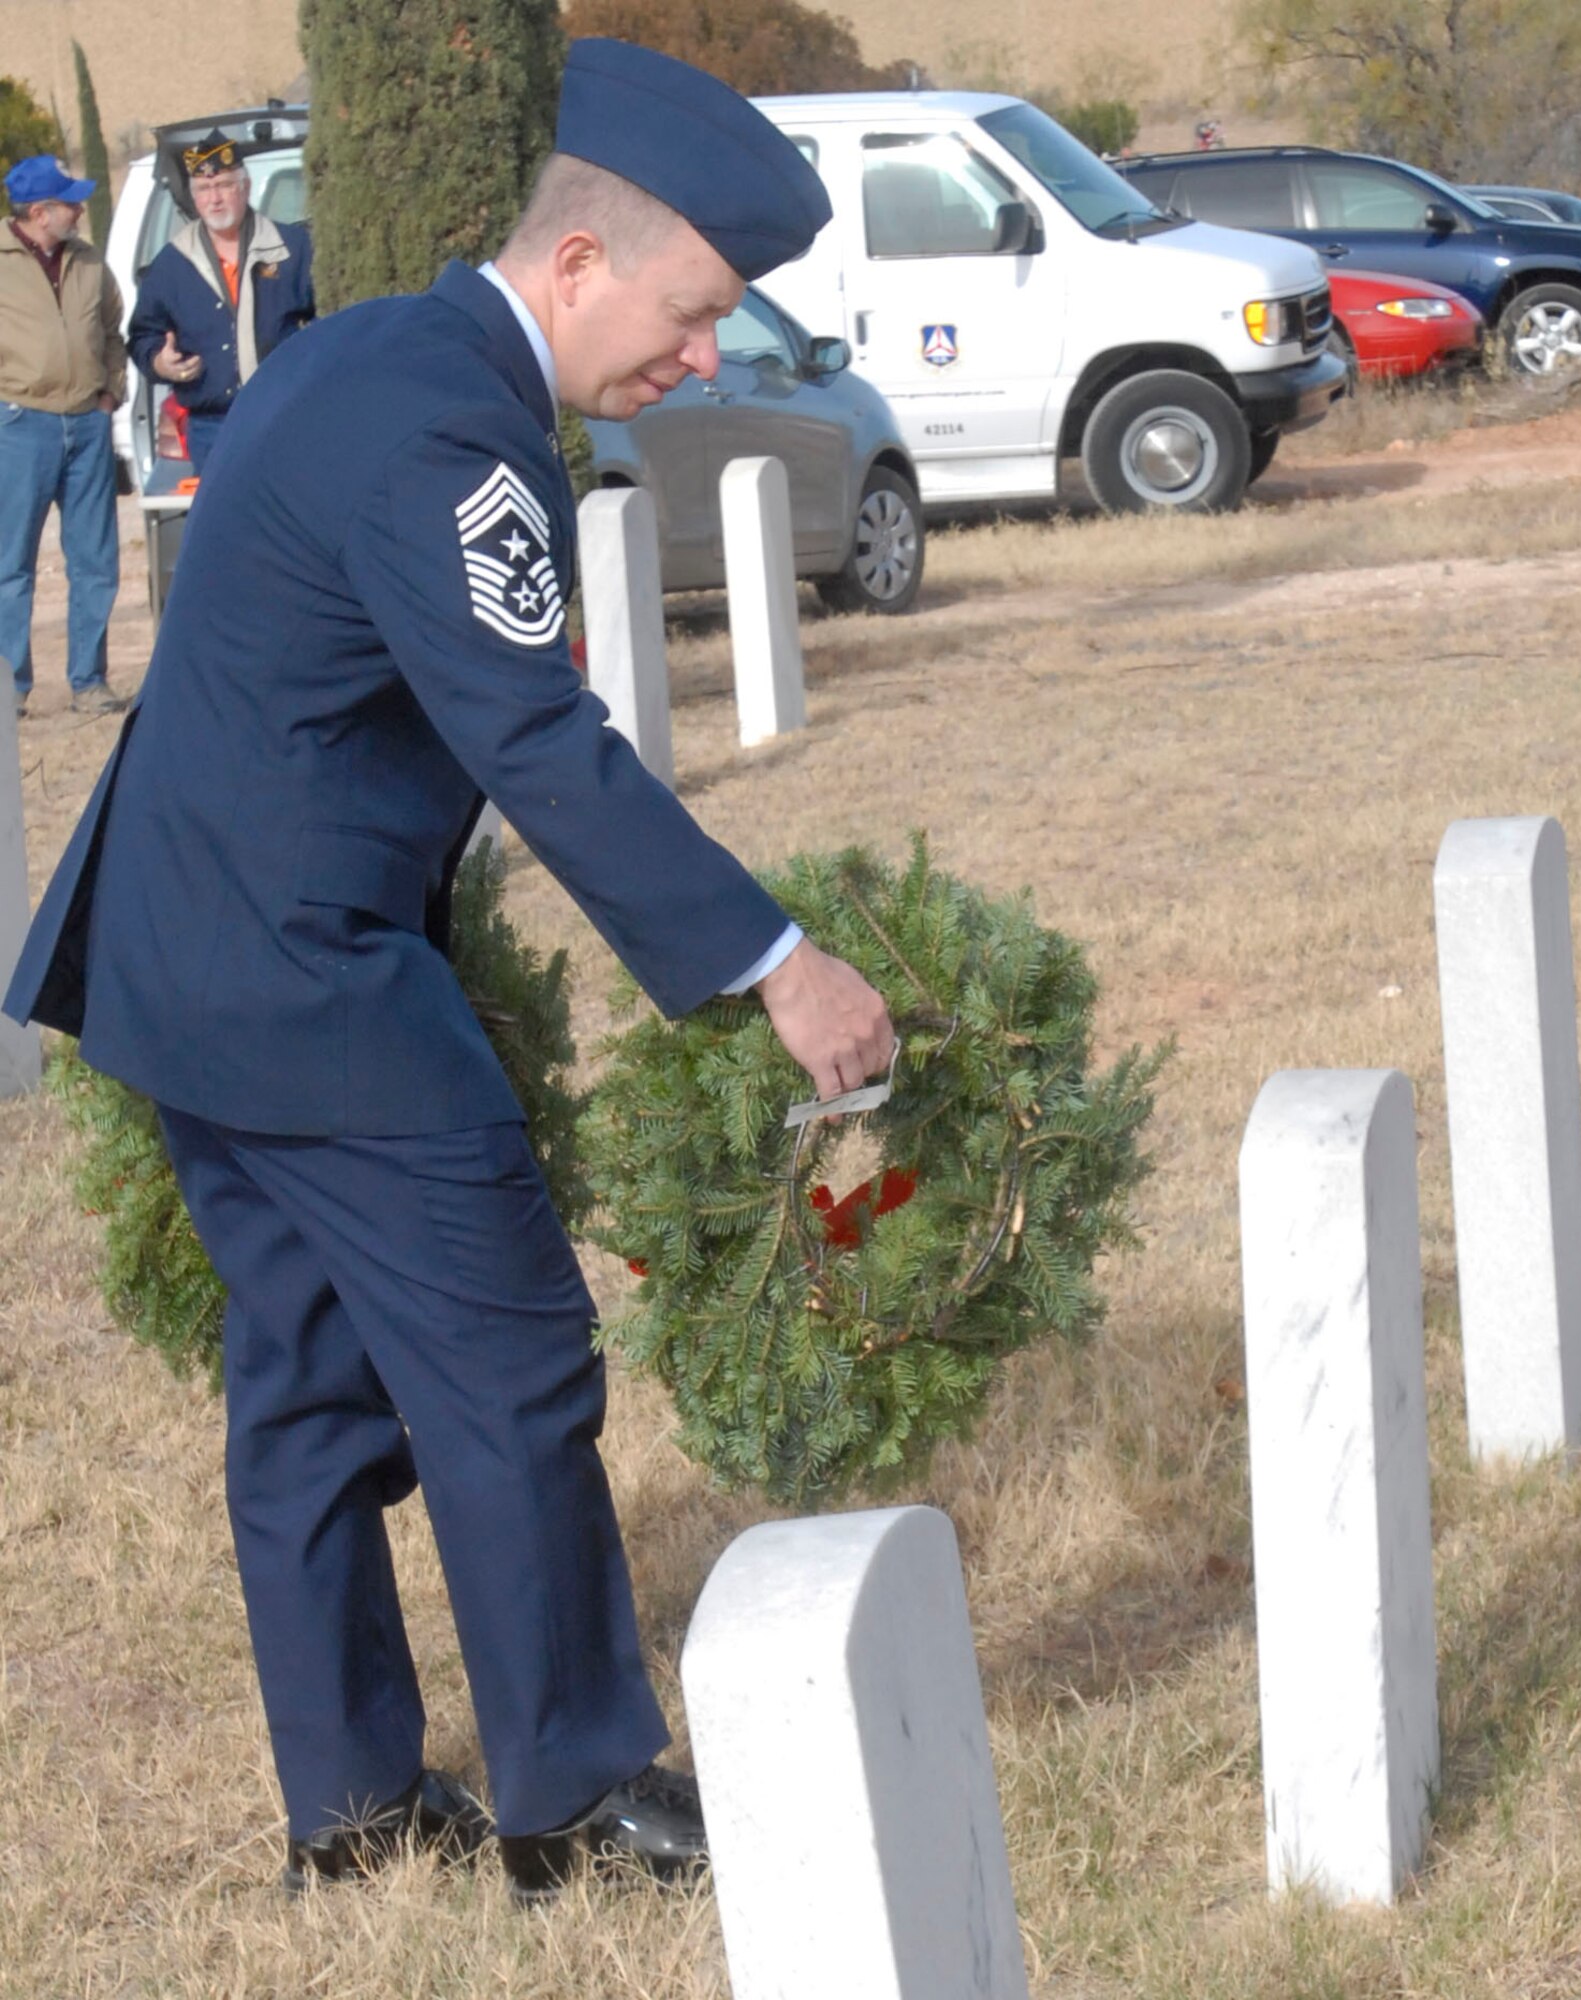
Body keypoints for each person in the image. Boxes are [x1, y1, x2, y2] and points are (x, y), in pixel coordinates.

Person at [4, 40, 894, 1904]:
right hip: (306, 981)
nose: (702, 357)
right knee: (507, 1368)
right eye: (691, 310)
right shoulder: (446, 427)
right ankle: (571, 1788)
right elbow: (536, 737)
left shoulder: (365, 349)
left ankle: (350, 1805)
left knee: (313, 1387)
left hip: (183, 957)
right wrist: (775, 964)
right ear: (580, 267)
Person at [0, 155, 128, 719]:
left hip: (87, 423)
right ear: (37, 212)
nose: (80, 208)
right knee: (11, 563)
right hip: (19, 425)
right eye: (68, 201)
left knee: (95, 560)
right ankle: (11, 687)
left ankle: (90, 681)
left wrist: (109, 395)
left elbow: (112, 331)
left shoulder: (90, 260)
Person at [126, 130, 314, 472]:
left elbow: (328, 322)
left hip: (284, 416)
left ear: (245, 187)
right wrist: (159, 362)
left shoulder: (292, 248)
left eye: (224, 185)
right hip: (211, 428)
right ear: (193, 197)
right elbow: (142, 335)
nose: (214, 199)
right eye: (203, 189)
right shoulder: (172, 263)